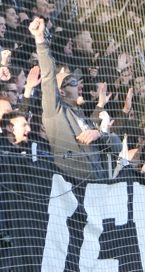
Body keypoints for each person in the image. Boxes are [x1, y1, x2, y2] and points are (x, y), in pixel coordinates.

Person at [28, 16, 121, 181]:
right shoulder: (54, 110)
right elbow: (49, 76)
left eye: (78, 82)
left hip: (97, 188)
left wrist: (99, 134)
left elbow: (118, 145)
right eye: (72, 82)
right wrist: (40, 39)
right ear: (61, 92)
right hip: (72, 187)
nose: (80, 85)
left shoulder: (83, 117)